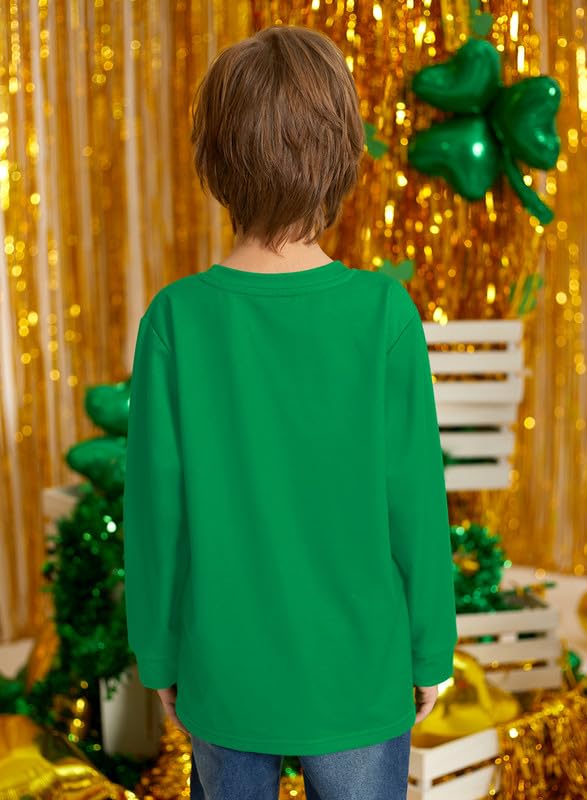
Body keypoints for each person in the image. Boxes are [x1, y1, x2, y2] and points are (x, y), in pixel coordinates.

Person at [123, 23, 458, 800]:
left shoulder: (175, 319)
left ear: (214, 157)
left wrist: (159, 654)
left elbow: (156, 514)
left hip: (224, 673)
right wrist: (430, 650)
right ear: (341, 153)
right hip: (358, 673)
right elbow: (415, 503)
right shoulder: (383, 314)